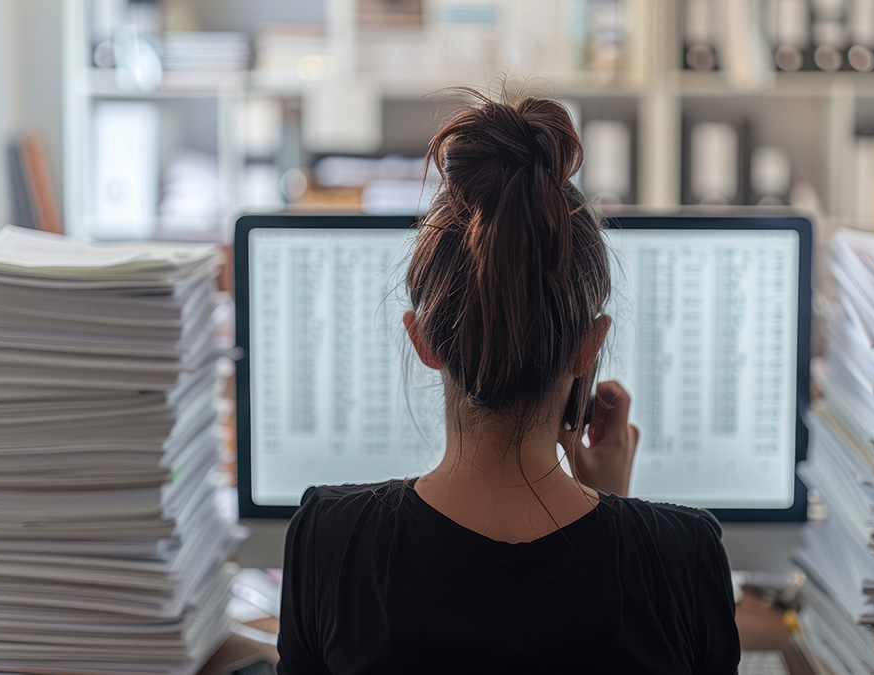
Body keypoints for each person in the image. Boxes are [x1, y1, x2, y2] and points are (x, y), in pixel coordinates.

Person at [277, 90, 741, 674]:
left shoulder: (329, 543)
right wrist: (620, 517)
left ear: (423, 341)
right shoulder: (685, 557)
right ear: (588, 347)